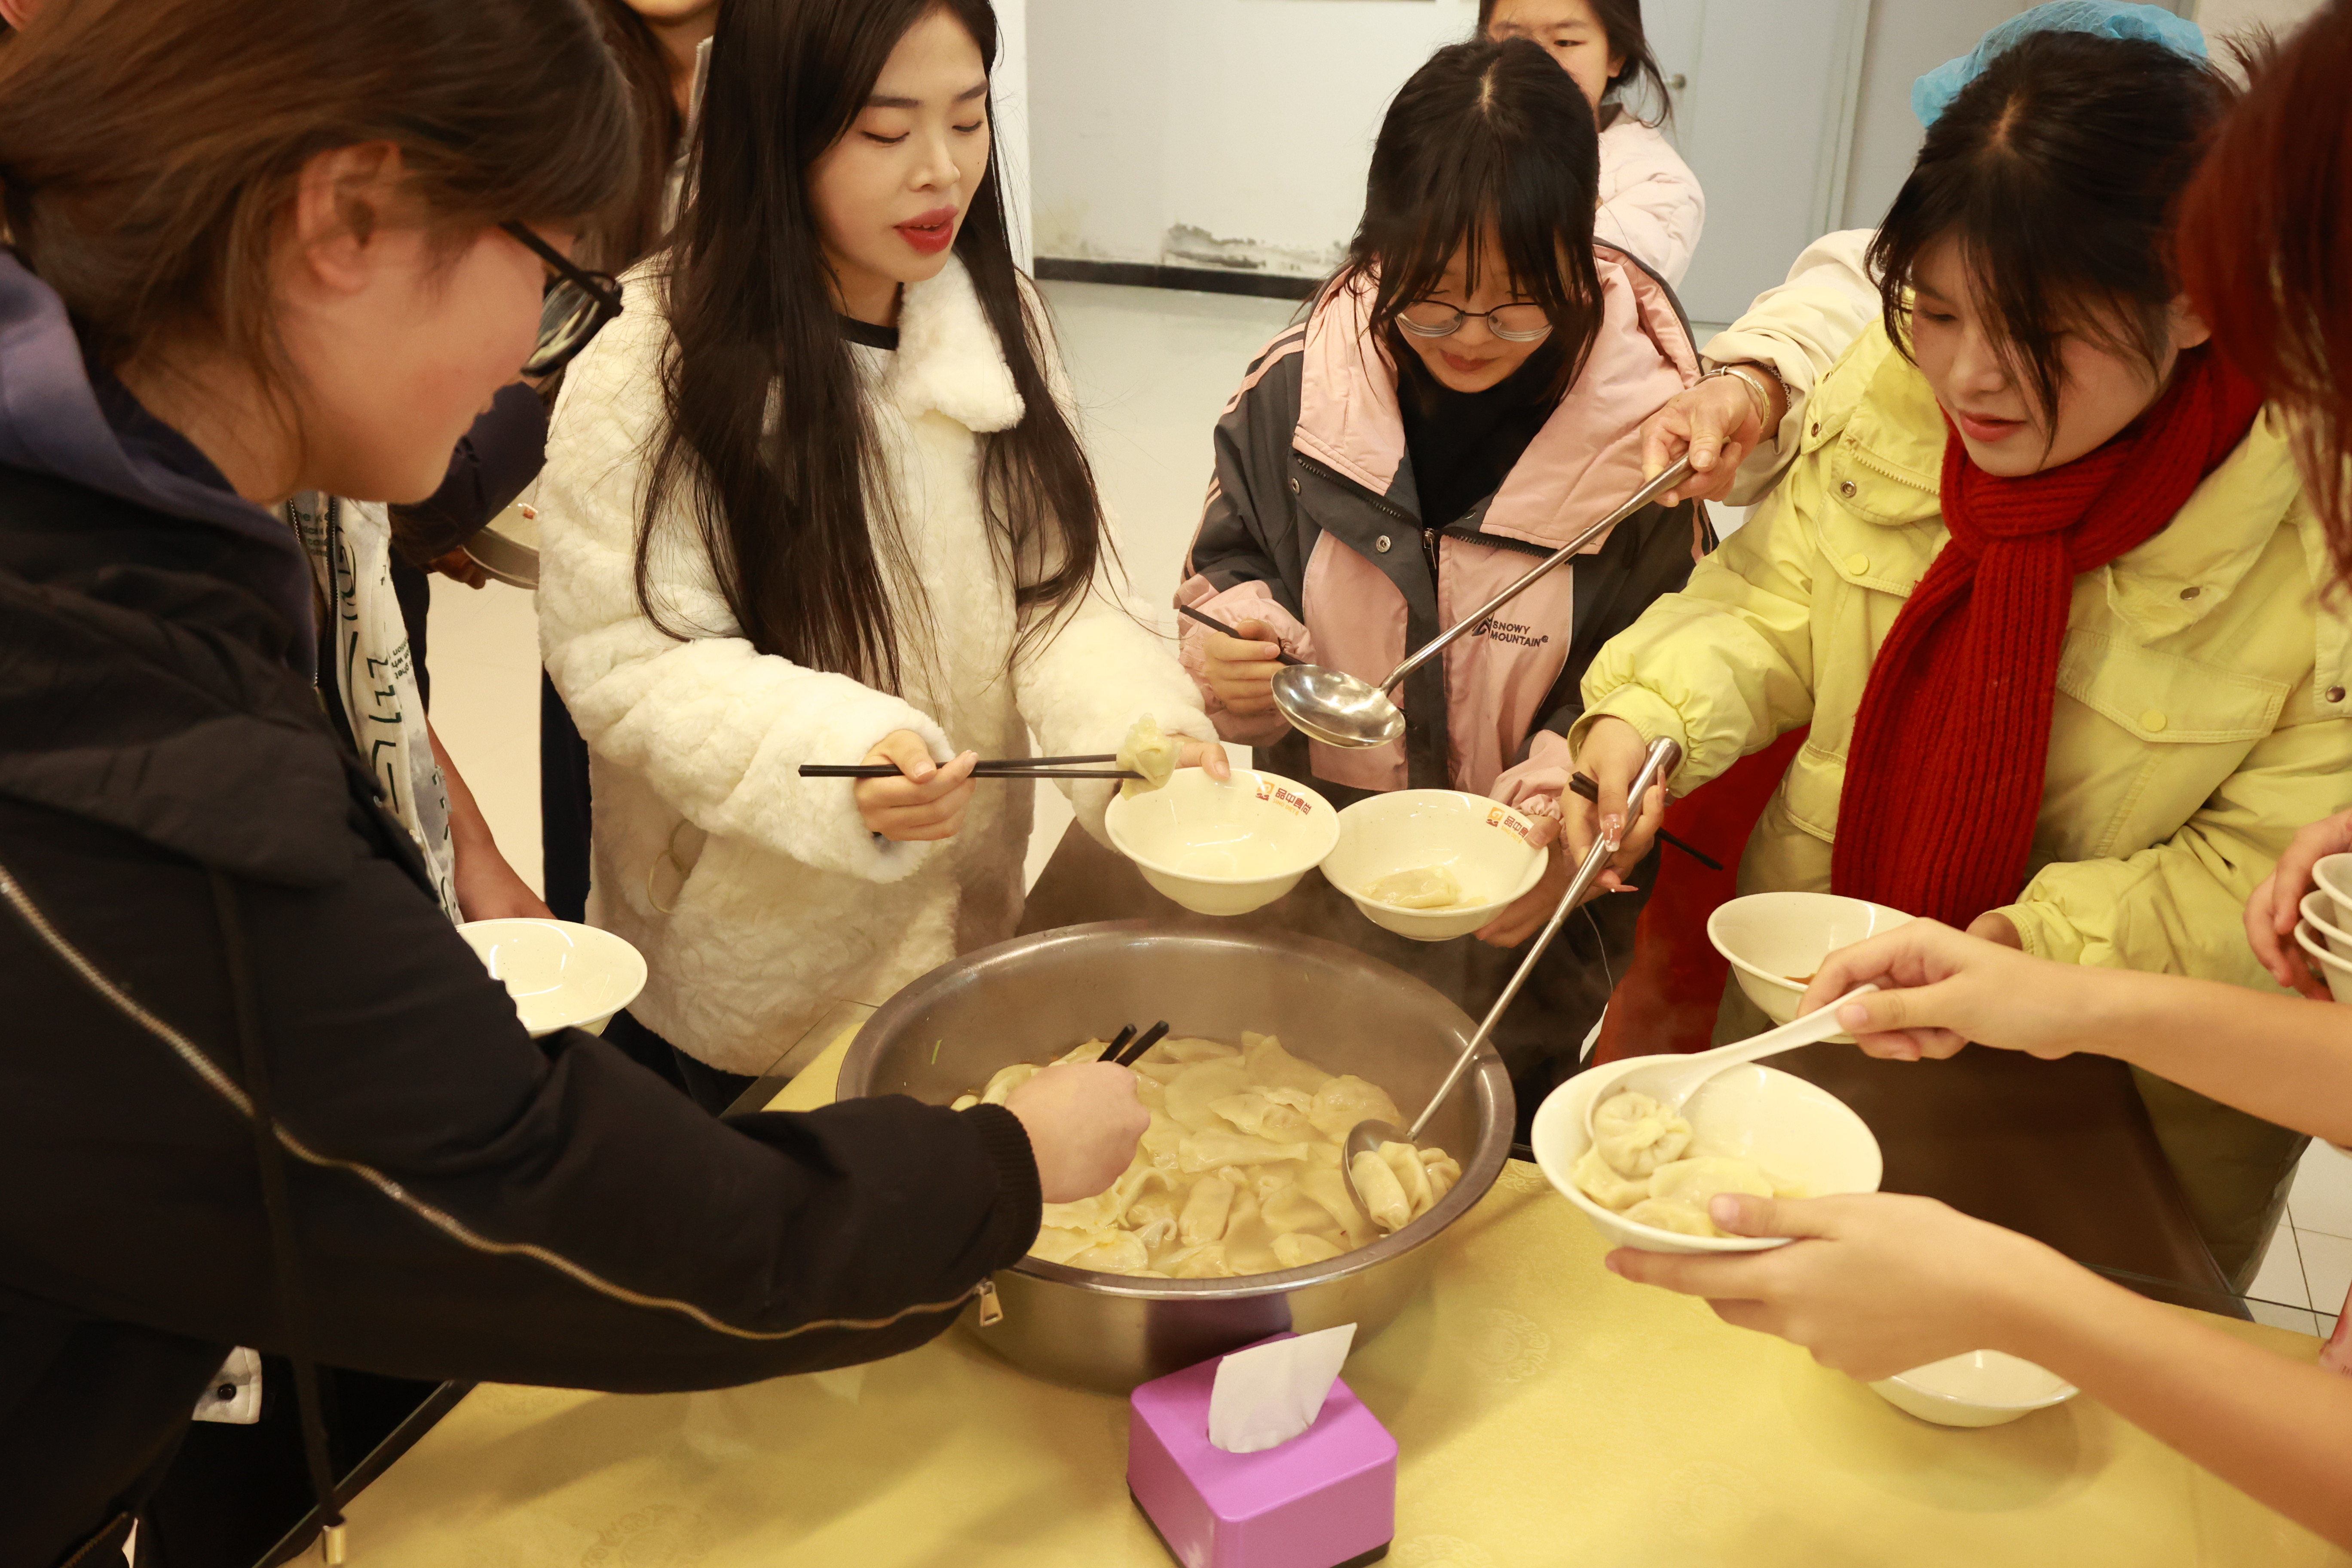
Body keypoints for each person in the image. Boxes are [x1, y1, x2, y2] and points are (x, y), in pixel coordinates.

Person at [0, 3, 1144, 1562]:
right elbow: (529, 1188)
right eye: (549, 281)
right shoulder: (120, 742)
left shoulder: (135, 556)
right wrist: (998, 1169)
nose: (526, 363)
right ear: (346, 221)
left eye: (965, 118)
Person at [1564, 22, 2352, 1285]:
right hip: (1824, 1021)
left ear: (2194, 300)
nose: (1969, 375)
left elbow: (2261, 880)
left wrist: (2021, 957)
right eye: (1933, 308)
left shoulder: (2308, 516)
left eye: (2042, 333)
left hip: (2117, 1117)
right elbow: (1773, 606)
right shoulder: (1892, 391)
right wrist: (1640, 722)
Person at [535, 0, 1224, 1111]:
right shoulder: (652, 360)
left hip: (961, 945)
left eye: (969, 119)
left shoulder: (999, 321)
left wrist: (1139, 736)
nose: (941, 171)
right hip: (748, 978)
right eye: (887, 131)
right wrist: (840, 753)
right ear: (780, 130)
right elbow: (628, 657)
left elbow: (1059, 600)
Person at [1178, 36, 1708, 1120]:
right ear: (1379, 252)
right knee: (1304, 1101)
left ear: (1580, 257)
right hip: (1328, 868)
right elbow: (1224, 562)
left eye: (1518, 305)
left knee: (1501, 1121)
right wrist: (1234, 639)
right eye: (1429, 300)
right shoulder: (1300, 392)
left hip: (1535, 901)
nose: (1470, 338)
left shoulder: (1648, 442)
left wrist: (1560, 818)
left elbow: (1658, 668)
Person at [1480, 0, 1703, 288]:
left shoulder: (1659, 185)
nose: (1535, 62)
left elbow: (1579, 291)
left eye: (1565, 42)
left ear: (1616, 55)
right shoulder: (1450, 140)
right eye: (1513, 41)